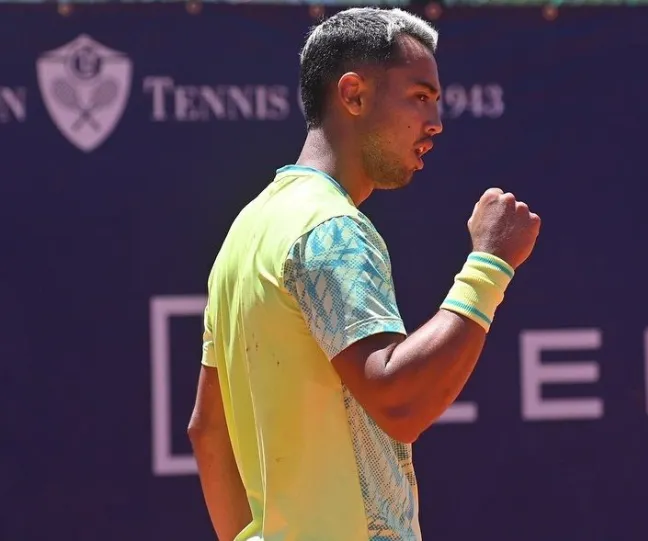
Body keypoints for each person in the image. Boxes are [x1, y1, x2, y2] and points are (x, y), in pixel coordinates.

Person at [185, 7, 541, 541]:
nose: (435, 122)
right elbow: (399, 400)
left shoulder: (247, 231)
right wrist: (489, 266)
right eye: (420, 96)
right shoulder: (332, 229)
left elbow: (207, 431)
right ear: (353, 95)